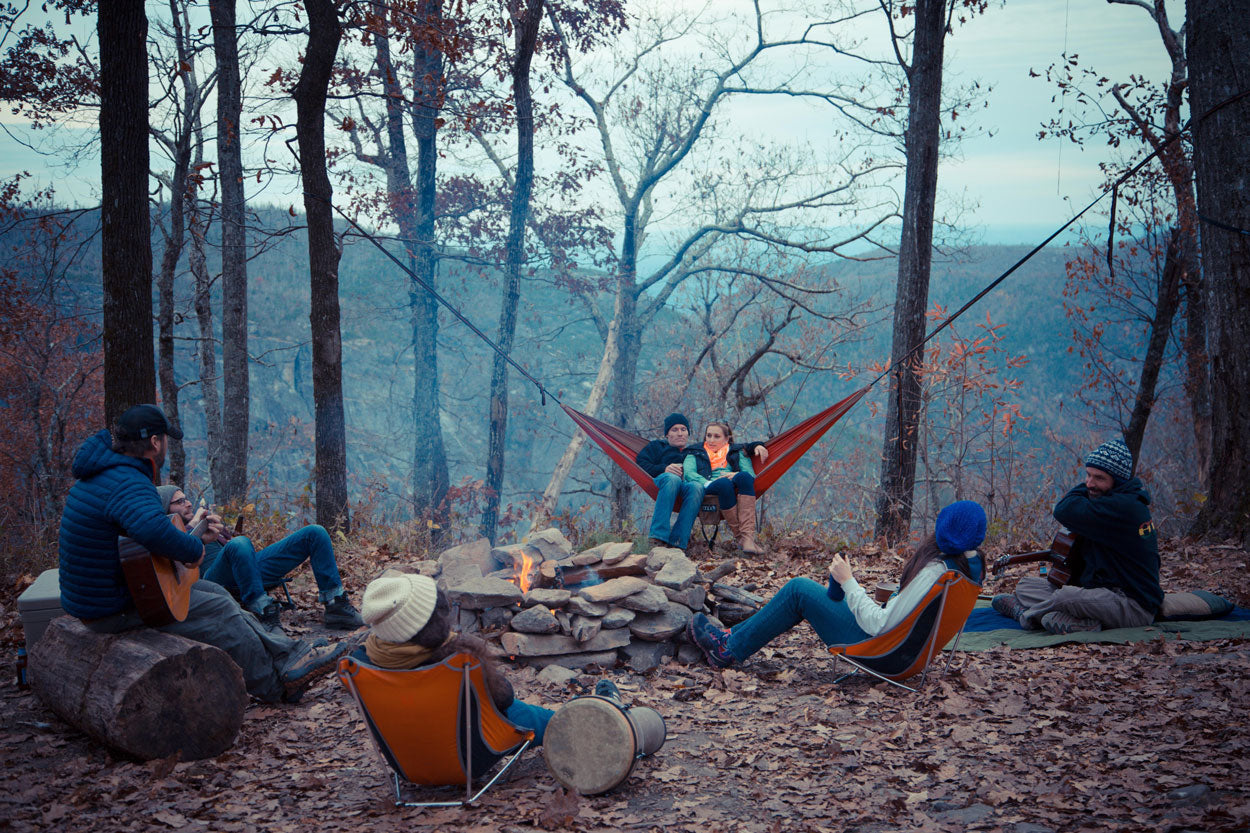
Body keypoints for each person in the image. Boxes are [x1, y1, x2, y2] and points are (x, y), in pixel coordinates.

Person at [57, 404, 346, 703]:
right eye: (165, 439)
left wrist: (195, 540)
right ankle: (276, 685)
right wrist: (194, 548)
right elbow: (152, 531)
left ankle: (288, 656)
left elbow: (139, 538)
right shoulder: (126, 481)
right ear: (155, 443)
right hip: (112, 609)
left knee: (215, 593)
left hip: (107, 599)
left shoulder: (102, 474)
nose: (165, 446)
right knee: (220, 612)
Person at [687, 501, 987, 668]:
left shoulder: (935, 571)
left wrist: (849, 581)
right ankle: (730, 637)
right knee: (805, 589)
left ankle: (728, 649)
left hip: (884, 651)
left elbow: (878, 624)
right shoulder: (971, 565)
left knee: (798, 590)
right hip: (907, 653)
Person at [358, 572, 615, 744]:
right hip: (472, 748)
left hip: (412, 759)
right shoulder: (458, 660)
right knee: (524, 713)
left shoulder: (363, 664)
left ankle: (590, 710)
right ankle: (591, 715)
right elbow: (504, 697)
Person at [992, 437, 1162, 635]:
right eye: (1088, 475)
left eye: (1099, 478)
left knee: (1066, 597)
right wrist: (1094, 484)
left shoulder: (1123, 508)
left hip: (1131, 605)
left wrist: (1088, 488)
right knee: (1026, 587)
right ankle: (1080, 621)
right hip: (1100, 591)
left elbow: (1064, 509)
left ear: (1118, 482)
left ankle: (1026, 616)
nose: (1089, 483)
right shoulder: (1110, 500)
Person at [156, 484, 363, 632]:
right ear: (166, 509)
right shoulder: (167, 535)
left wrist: (217, 532)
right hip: (212, 582)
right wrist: (192, 528)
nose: (188, 504)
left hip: (245, 570)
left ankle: (335, 603)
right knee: (240, 543)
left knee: (315, 533)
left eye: (186, 498)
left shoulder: (200, 524)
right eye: (179, 502)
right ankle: (262, 611)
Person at [682, 421, 767, 555]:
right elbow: (689, 473)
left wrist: (735, 474)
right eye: (708, 436)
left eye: (716, 436)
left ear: (726, 439)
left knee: (744, 477)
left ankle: (748, 538)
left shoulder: (737, 452)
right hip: (707, 486)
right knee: (723, 483)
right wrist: (708, 483)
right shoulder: (695, 452)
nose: (711, 440)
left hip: (731, 486)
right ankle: (741, 538)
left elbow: (750, 474)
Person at [635, 413, 705, 551]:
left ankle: (678, 542)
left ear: (688, 433)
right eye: (675, 430)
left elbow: (728, 447)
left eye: (683, 429)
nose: (680, 433)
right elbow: (640, 464)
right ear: (667, 434)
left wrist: (755, 446)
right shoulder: (657, 446)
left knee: (697, 487)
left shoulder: (694, 452)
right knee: (672, 478)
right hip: (664, 481)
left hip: (686, 486)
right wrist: (664, 468)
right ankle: (658, 537)